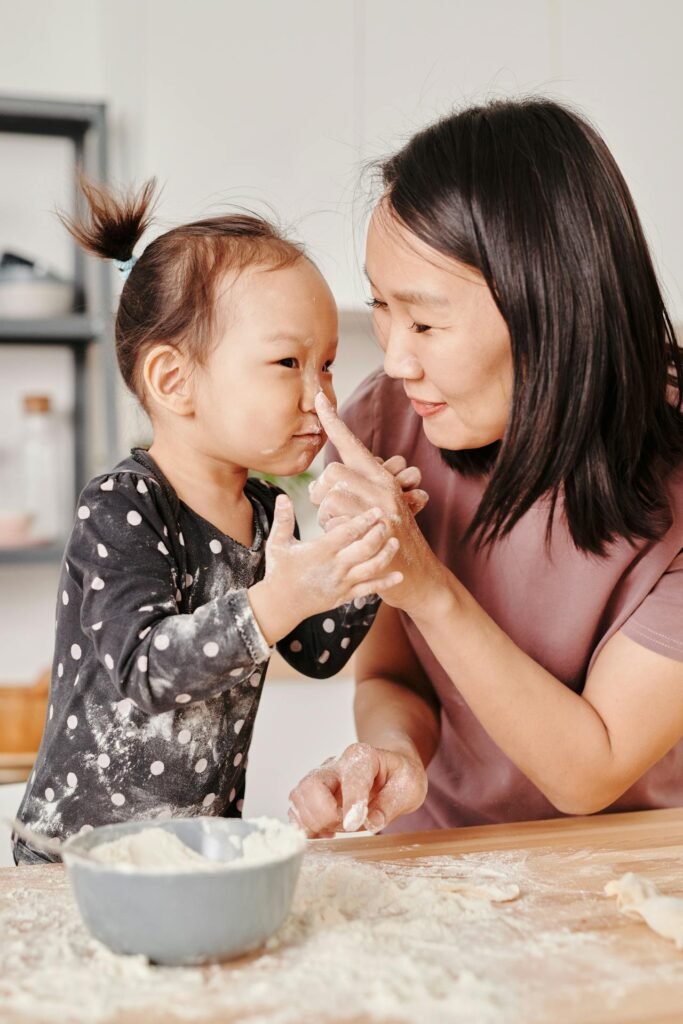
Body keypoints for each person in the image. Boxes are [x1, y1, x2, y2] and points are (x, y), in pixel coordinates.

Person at [288, 97, 683, 838]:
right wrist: (388, 755)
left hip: (623, 869)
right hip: (438, 857)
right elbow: (391, 677)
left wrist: (427, 585)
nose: (396, 359)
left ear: (551, 307)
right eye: (380, 307)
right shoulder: (388, 422)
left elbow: (588, 770)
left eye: (426, 322)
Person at [13, 179, 425, 864]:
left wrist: (366, 552)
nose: (320, 396)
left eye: (324, 366)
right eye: (288, 363)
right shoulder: (120, 506)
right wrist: (281, 596)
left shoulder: (267, 512)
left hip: (194, 854)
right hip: (72, 864)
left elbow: (313, 652)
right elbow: (146, 671)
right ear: (173, 382)